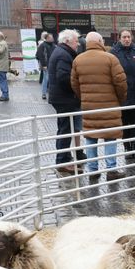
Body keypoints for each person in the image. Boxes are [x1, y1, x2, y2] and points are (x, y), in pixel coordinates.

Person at [70, 31, 127, 180]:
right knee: (110, 137)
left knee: (90, 136)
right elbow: (121, 83)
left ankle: (93, 169)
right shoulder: (110, 59)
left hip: (89, 106)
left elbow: (74, 84)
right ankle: (111, 169)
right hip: (109, 105)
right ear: (101, 41)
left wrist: (84, 97)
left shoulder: (78, 60)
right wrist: (119, 100)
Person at [48, 29, 86, 175]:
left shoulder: (61, 52)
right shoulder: (63, 55)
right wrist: (76, 88)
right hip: (64, 99)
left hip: (62, 98)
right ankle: (62, 161)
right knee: (65, 130)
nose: (78, 43)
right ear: (67, 41)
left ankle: (64, 157)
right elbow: (64, 78)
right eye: (76, 40)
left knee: (65, 128)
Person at [110, 29, 135, 163]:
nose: (126, 39)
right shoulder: (114, 53)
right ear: (119, 38)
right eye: (124, 37)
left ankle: (134, 148)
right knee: (125, 121)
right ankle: (127, 149)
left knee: (134, 121)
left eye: (128, 37)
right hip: (122, 91)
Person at [36, 32, 56, 100]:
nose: (53, 38)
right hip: (46, 65)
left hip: (53, 65)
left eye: (52, 37)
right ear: (47, 38)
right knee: (46, 79)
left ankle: (51, 93)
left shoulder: (54, 46)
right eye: (51, 37)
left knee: (51, 80)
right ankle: (44, 93)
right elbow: (40, 55)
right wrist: (44, 65)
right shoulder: (42, 45)